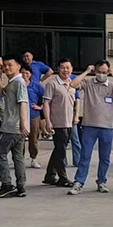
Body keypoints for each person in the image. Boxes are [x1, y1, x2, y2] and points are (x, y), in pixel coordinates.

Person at [68, 61, 113, 194]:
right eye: (99, 72)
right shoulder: (88, 83)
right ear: (95, 71)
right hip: (89, 126)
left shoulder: (112, 86)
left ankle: (102, 181)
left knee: (105, 157)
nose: (101, 74)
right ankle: (79, 182)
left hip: (107, 127)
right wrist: (86, 72)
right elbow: (73, 84)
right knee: (85, 156)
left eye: (104, 72)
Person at [0, 54, 29, 198]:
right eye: (5, 65)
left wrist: (22, 124)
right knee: (18, 157)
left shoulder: (19, 82)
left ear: (18, 66)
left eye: (10, 65)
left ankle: (7, 185)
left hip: (11, 127)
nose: (7, 68)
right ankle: (21, 186)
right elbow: (1, 93)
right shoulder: (12, 82)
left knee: (0, 154)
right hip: (16, 127)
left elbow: (23, 102)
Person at [41, 60, 76, 188]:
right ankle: (62, 178)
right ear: (58, 69)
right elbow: (46, 103)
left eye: (67, 68)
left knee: (59, 149)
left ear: (71, 69)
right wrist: (48, 121)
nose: (65, 70)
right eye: (62, 68)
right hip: (57, 122)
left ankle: (50, 175)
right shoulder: (52, 84)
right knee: (61, 151)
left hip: (69, 122)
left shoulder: (72, 84)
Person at [21, 66, 45, 168]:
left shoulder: (36, 86)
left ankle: (33, 158)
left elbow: (46, 97)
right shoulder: (18, 84)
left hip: (33, 115)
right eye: (22, 73)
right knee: (20, 139)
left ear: (30, 74)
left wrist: (40, 107)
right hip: (20, 116)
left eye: (27, 73)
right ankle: (20, 160)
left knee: (34, 138)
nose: (24, 75)